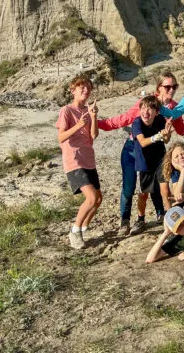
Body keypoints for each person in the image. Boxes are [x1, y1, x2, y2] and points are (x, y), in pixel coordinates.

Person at [97, 71, 184, 232]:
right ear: (159, 87)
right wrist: (97, 123)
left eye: (174, 86)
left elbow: (181, 129)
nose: (171, 90)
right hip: (133, 150)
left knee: (158, 186)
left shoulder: (174, 107)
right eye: (167, 87)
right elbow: (123, 120)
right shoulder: (146, 104)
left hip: (156, 151)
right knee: (129, 188)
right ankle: (125, 221)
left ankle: (161, 215)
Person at [56, 73, 100, 250]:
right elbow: (61, 137)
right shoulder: (66, 110)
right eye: (82, 87)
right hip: (74, 160)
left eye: (88, 88)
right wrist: (79, 125)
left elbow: (93, 135)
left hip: (88, 159)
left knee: (98, 199)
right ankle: (74, 231)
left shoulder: (87, 111)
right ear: (73, 90)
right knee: (91, 197)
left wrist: (93, 116)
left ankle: (83, 228)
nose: (86, 90)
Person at [131, 95, 173, 235]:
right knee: (143, 194)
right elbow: (142, 142)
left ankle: (170, 219)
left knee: (165, 191)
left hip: (160, 160)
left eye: (150, 109)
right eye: (143, 108)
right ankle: (140, 219)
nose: (146, 112)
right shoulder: (137, 123)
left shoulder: (160, 120)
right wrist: (159, 136)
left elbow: (166, 140)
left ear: (156, 112)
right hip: (144, 163)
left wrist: (167, 132)